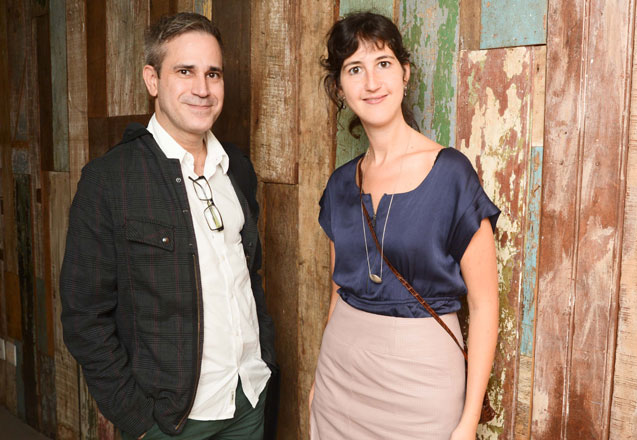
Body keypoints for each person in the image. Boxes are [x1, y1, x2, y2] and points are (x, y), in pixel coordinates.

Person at [60, 12, 276, 440]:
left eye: (213, 74)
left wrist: (265, 359)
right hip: (170, 421)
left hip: (248, 399)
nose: (203, 88)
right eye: (185, 71)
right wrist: (138, 422)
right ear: (152, 80)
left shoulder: (237, 169)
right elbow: (84, 317)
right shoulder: (109, 180)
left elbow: (248, 277)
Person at [309, 12, 500, 440]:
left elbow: (485, 304)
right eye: (354, 69)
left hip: (422, 382)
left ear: (405, 72)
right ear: (339, 88)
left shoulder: (451, 174)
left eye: (383, 63)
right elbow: (339, 290)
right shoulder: (340, 184)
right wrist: (319, 383)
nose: (371, 82)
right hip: (340, 376)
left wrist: (468, 420)